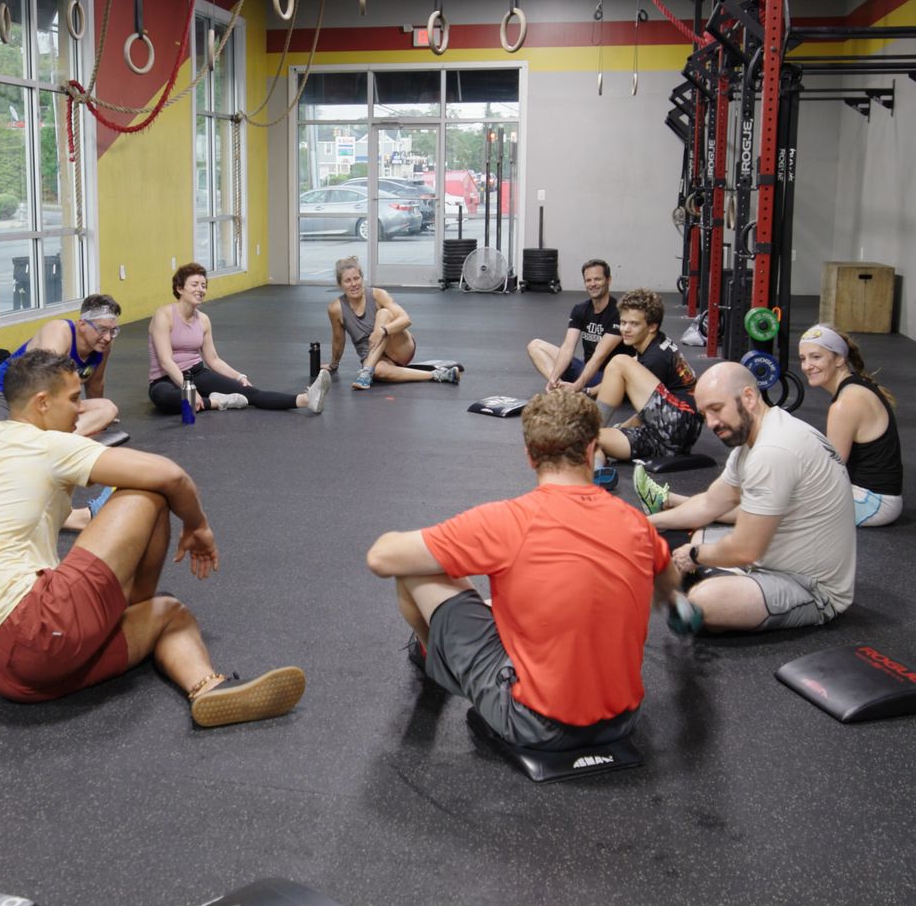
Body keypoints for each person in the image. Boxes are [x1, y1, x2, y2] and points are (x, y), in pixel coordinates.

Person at [0, 349, 307, 728]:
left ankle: (207, 687)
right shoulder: (47, 445)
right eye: (73, 399)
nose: (80, 409)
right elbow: (171, 475)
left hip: (6, 673)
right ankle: (131, 607)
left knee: (170, 614)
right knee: (149, 492)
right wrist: (199, 528)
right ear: (42, 403)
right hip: (39, 629)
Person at [364, 388, 679, 751]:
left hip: (533, 724)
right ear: (592, 450)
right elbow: (668, 581)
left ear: (529, 456)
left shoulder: (507, 521)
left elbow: (380, 558)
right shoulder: (635, 523)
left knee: (416, 570)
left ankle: (432, 657)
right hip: (622, 721)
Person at [647, 361, 856, 634]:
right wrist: (642, 523)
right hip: (771, 555)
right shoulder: (759, 436)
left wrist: (695, 555)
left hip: (811, 587)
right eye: (705, 413)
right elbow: (709, 503)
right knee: (685, 536)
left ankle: (704, 585)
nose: (711, 423)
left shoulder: (773, 450)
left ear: (748, 397)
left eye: (717, 409)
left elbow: (745, 550)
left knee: (704, 598)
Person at [149, 263, 330, 416]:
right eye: (194, 285)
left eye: (203, 285)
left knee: (250, 393)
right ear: (180, 288)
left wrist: (238, 376)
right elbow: (166, 361)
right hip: (165, 380)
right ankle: (216, 402)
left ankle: (305, 400)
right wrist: (189, 390)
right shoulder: (164, 316)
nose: (200, 290)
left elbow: (213, 359)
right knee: (165, 398)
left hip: (197, 374)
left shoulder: (203, 320)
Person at [0, 294, 122, 445]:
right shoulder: (59, 331)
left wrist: (99, 421)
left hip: (47, 404)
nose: (108, 337)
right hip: (2, 393)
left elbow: (95, 383)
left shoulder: (103, 346)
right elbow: (43, 382)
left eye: (113, 331)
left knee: (108, 408)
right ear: (82, 324)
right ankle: (39, 440)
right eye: (102, 329)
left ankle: (38, 441)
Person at [798, 324, 904, 527]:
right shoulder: (855, 385)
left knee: (775, 506)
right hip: (869, 494)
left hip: (873, 502)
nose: (807, 366)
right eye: (803, 359)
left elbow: (831, 471)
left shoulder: (846, 404)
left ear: (839, 359)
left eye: (816, 357)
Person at [589, 288, 701, 466]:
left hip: (678, 424)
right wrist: (618, 430)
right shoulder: (656, 344)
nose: (625, 329)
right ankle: (597, 470)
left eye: (634, 324)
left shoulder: (655, 358)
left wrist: (621, 428)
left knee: (619, 362)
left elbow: (644, 415)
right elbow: (650, 411)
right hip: (666, 435)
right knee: (595, 441)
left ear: (652, 326)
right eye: (623, 322)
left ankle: (591, 429)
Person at [324, 256, 461, 390]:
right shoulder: (336, 309)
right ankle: (440, 375)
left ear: (362, 278)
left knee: (384, 313)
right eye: (348, 281)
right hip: (375, 357)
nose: (354, 284)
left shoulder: (378, 295)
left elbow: (406, 319)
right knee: (378, 372)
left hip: (400, 347)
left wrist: (381, 331)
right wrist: (333, 364)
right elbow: (338, 339)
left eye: (356, 278)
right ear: (340, 284)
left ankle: (367, 370)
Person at [525, 259, 623, 390]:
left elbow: (600, 355)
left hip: (606, 377)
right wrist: (554, 380)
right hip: (586, 369)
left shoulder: (619, 312)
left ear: (608, 280)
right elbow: (568, 347)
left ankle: (577, 389)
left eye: (597, 279)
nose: (592, 284)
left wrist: (578, 385)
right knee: (535, 345)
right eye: (588, 280)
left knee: (613, 378)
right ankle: (560, 388)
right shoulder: (580, 309)